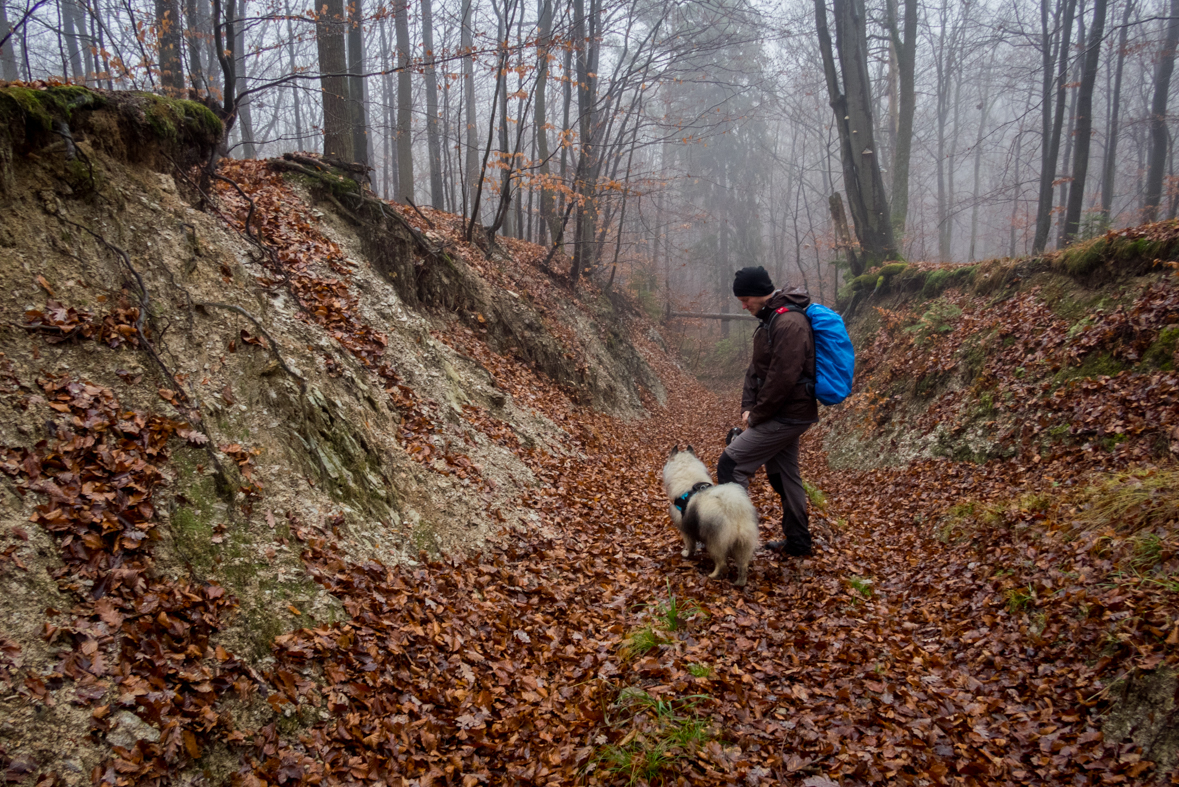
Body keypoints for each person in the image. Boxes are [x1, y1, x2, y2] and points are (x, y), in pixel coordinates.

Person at [717, 266, 817, 557]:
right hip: (782, 413)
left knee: (731, 464)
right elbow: (756, 371)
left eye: (746, 299)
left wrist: (758, 415)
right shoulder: (770, 319)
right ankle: (799, 543)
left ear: (762, 294)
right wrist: (748, 406)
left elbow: (782, 378)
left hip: (788, 414)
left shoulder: (789, 323)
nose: (745, 305)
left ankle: (737, 543)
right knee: (784, 476)